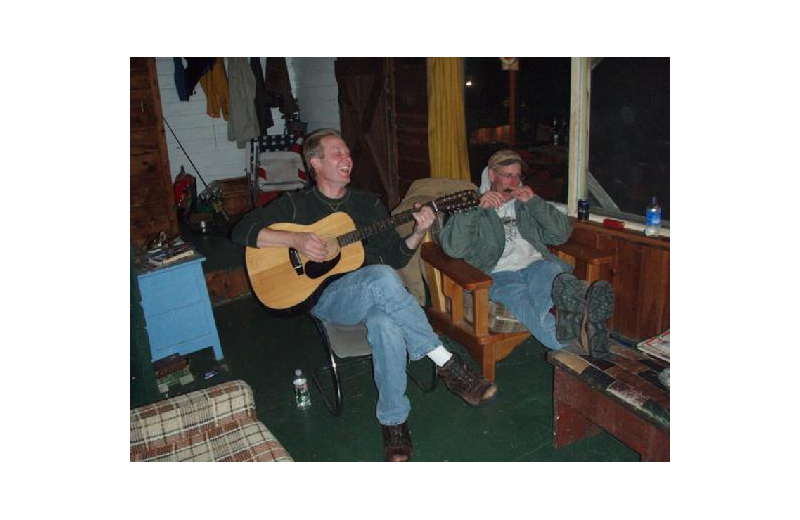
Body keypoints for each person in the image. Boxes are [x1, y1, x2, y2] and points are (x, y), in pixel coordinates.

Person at [232, 128, 497, 462]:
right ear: (315, 162)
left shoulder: (367, 203)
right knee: (382, 278)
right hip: (329, 300)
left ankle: (394, 423)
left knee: (386, 321)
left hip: (378, 294)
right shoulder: (297, 206)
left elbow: (395, 256)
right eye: (337, 154)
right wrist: (295, 240)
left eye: (348, 152)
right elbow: (241, 231)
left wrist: (418, 230)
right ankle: (445, 362)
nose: (347, 159)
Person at [438, 149, 615, 356]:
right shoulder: (471, 204)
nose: (514, 183)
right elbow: (453, 249)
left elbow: (561, 235)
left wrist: (535, 203)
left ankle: (569, 322)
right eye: (508, 175)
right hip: (497, 274)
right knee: (523, 300)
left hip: (538, 264)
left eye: (518, 176)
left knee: (551, 277)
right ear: (492, 175)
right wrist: (477, 209)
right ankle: (581, 333)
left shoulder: (526, 203)